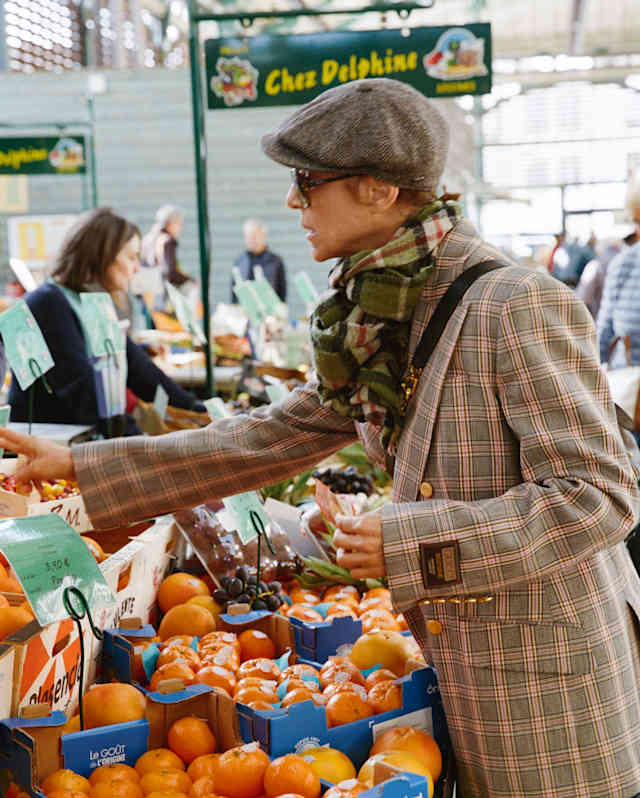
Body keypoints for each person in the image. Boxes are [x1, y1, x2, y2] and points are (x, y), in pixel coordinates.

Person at [1, 80, 640, 798]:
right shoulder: (379, 313)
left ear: (377, 189)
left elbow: (598, 497)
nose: (291, 203)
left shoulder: (517, 303)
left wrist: (409, 540)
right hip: (461, 667)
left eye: (307, 181)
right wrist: (83, 467)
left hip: (546, 684)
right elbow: (263, 438)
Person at [7, 207, 204, 436]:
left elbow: (140, 370)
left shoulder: (93, 303)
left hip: (83, 443)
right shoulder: (48, 303)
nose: (136, 268)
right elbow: (84, 393)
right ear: (101, 254)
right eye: (131, 257)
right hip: (44, 453)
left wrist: (197, 410)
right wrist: (145, 445)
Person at [597, 178, 640, 370]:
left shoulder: (624, 263)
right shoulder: (624, 264)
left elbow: (603, 334)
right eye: (637, 221)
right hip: (632, 387)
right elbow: (603, 335)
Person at [231, 218, 287, 303]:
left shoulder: (276, 261)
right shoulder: (239, 262)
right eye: (248, 236)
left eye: (254, 235)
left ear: (264, 235)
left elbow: (282, 293)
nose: (251, 240)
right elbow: (234, 294)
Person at [141, 205, 193, 289]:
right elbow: (169, 272)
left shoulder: (150, 238)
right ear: (170, 223)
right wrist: (189, 280)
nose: (180, 228)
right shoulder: (166, 241)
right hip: (161, 290)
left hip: (147, 289)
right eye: (179, 224)